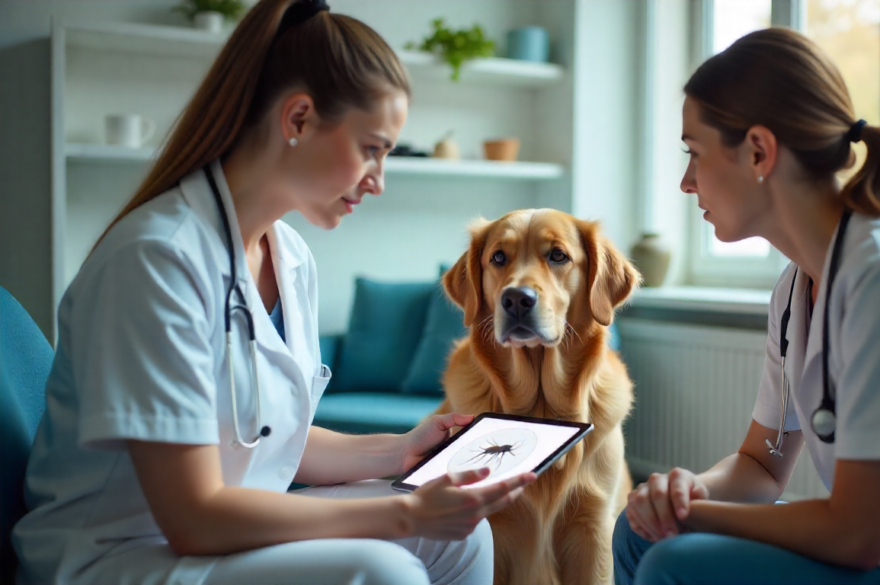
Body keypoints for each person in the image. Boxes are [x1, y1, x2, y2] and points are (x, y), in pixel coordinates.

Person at [12, 1, 533, 584]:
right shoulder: (157, 260)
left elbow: (269, 442)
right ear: (299, 119)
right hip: (121, 555)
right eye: (371, 149)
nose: (378, 182)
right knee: (380, 569)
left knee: (461, 538)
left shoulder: (291, 257)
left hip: (225, 528)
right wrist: (405, 513)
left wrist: (403, 450)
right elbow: (192, 517)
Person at [613, 27, 880, 585]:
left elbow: (856, 535)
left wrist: (696, 517)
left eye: (695, 153)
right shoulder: (796, 288)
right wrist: (684, 494)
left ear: (758, 151)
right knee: (639, 533)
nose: (687, 182)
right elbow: (761, 466)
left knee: (673, 561)